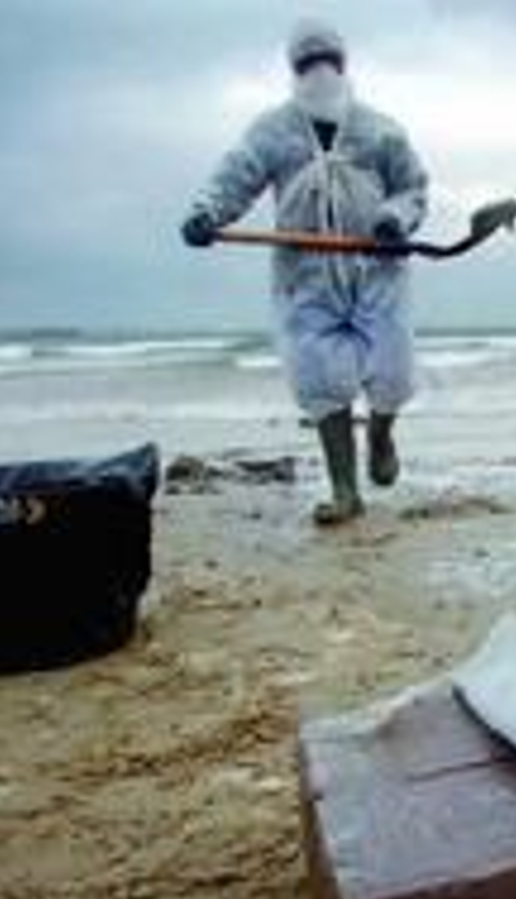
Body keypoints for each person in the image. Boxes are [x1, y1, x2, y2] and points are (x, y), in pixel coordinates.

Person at [181, 18, 428, 525]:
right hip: (303, 273)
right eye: (308, 63)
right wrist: (205, 213)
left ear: (342, 66)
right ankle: (345, 492)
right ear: (295, 71)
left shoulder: (382, 128)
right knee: (317, 376)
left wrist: (392, 219)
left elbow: (412, 188)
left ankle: (380, 434)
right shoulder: (271, 130)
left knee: (393, 364)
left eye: (327, 62)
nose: (319, 71)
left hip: (377, 266)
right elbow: (236, 174)